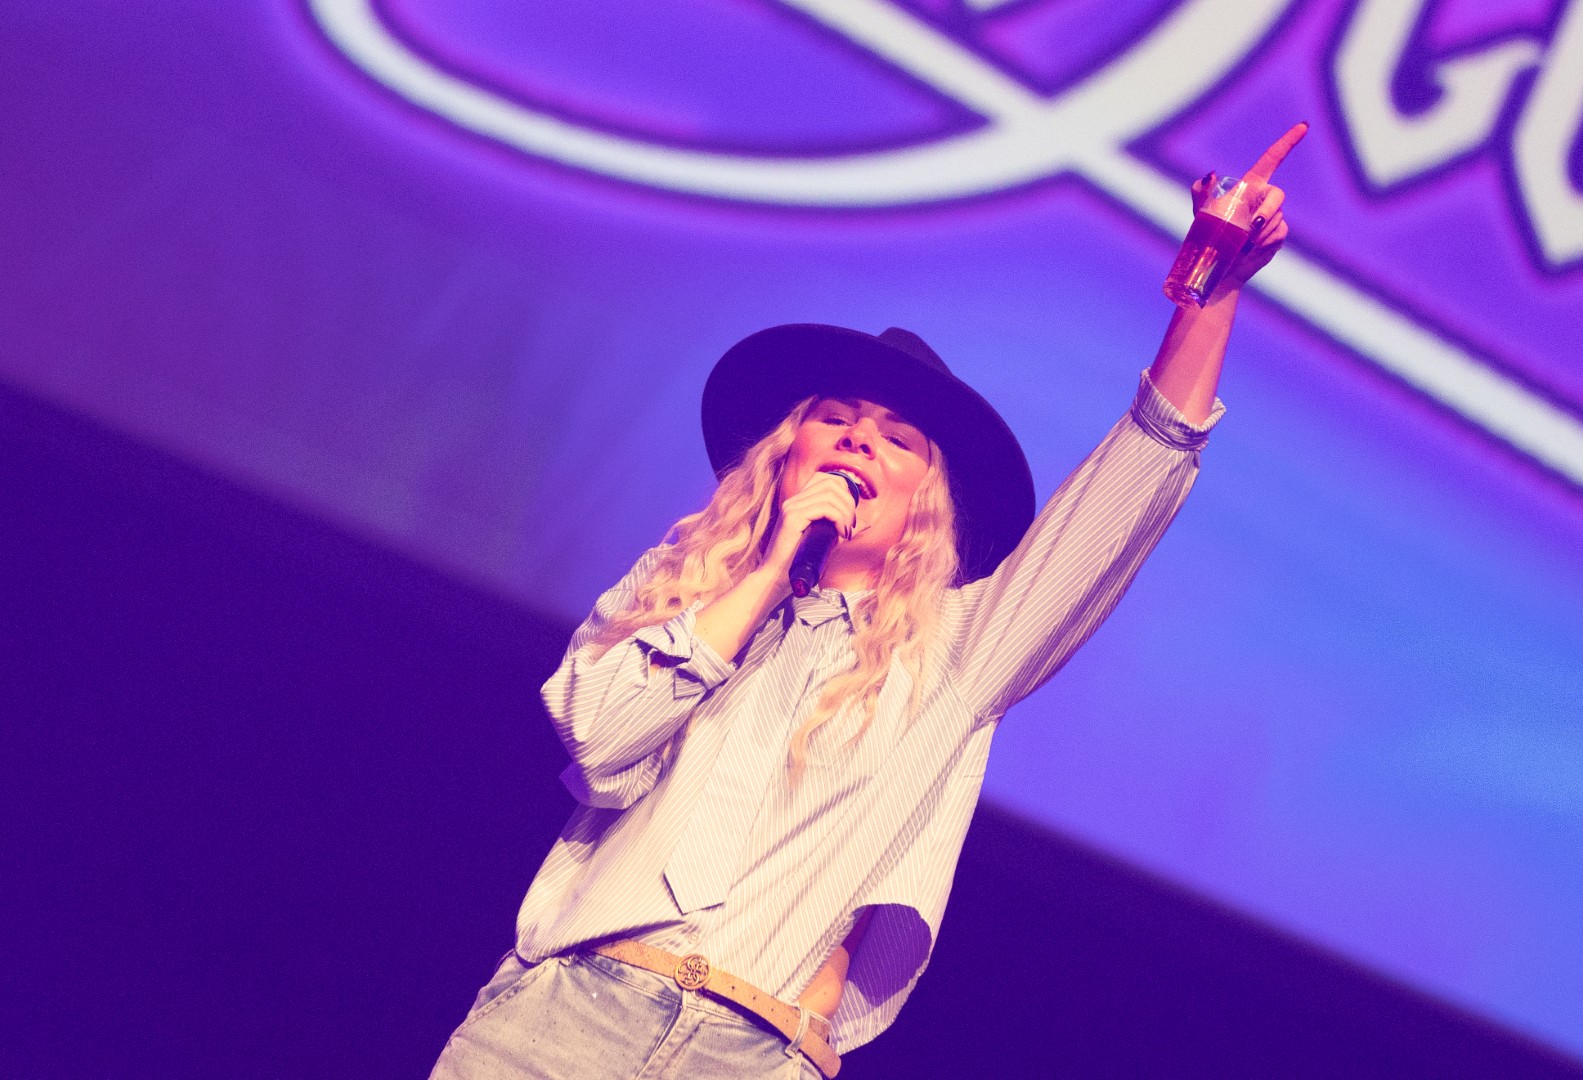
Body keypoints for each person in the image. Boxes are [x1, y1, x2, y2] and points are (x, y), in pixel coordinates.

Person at [429, 125, 1306, 1080]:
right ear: (786, 453)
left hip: (752, 1051)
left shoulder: (962, 650)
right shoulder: (679, 588)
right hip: (564, 1019)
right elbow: (599, 737)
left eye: (895, 439)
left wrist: (1212, 292)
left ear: (929, 497)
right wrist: (768, 569)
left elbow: (1129, 486)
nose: (856, 442)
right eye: (835, 420)